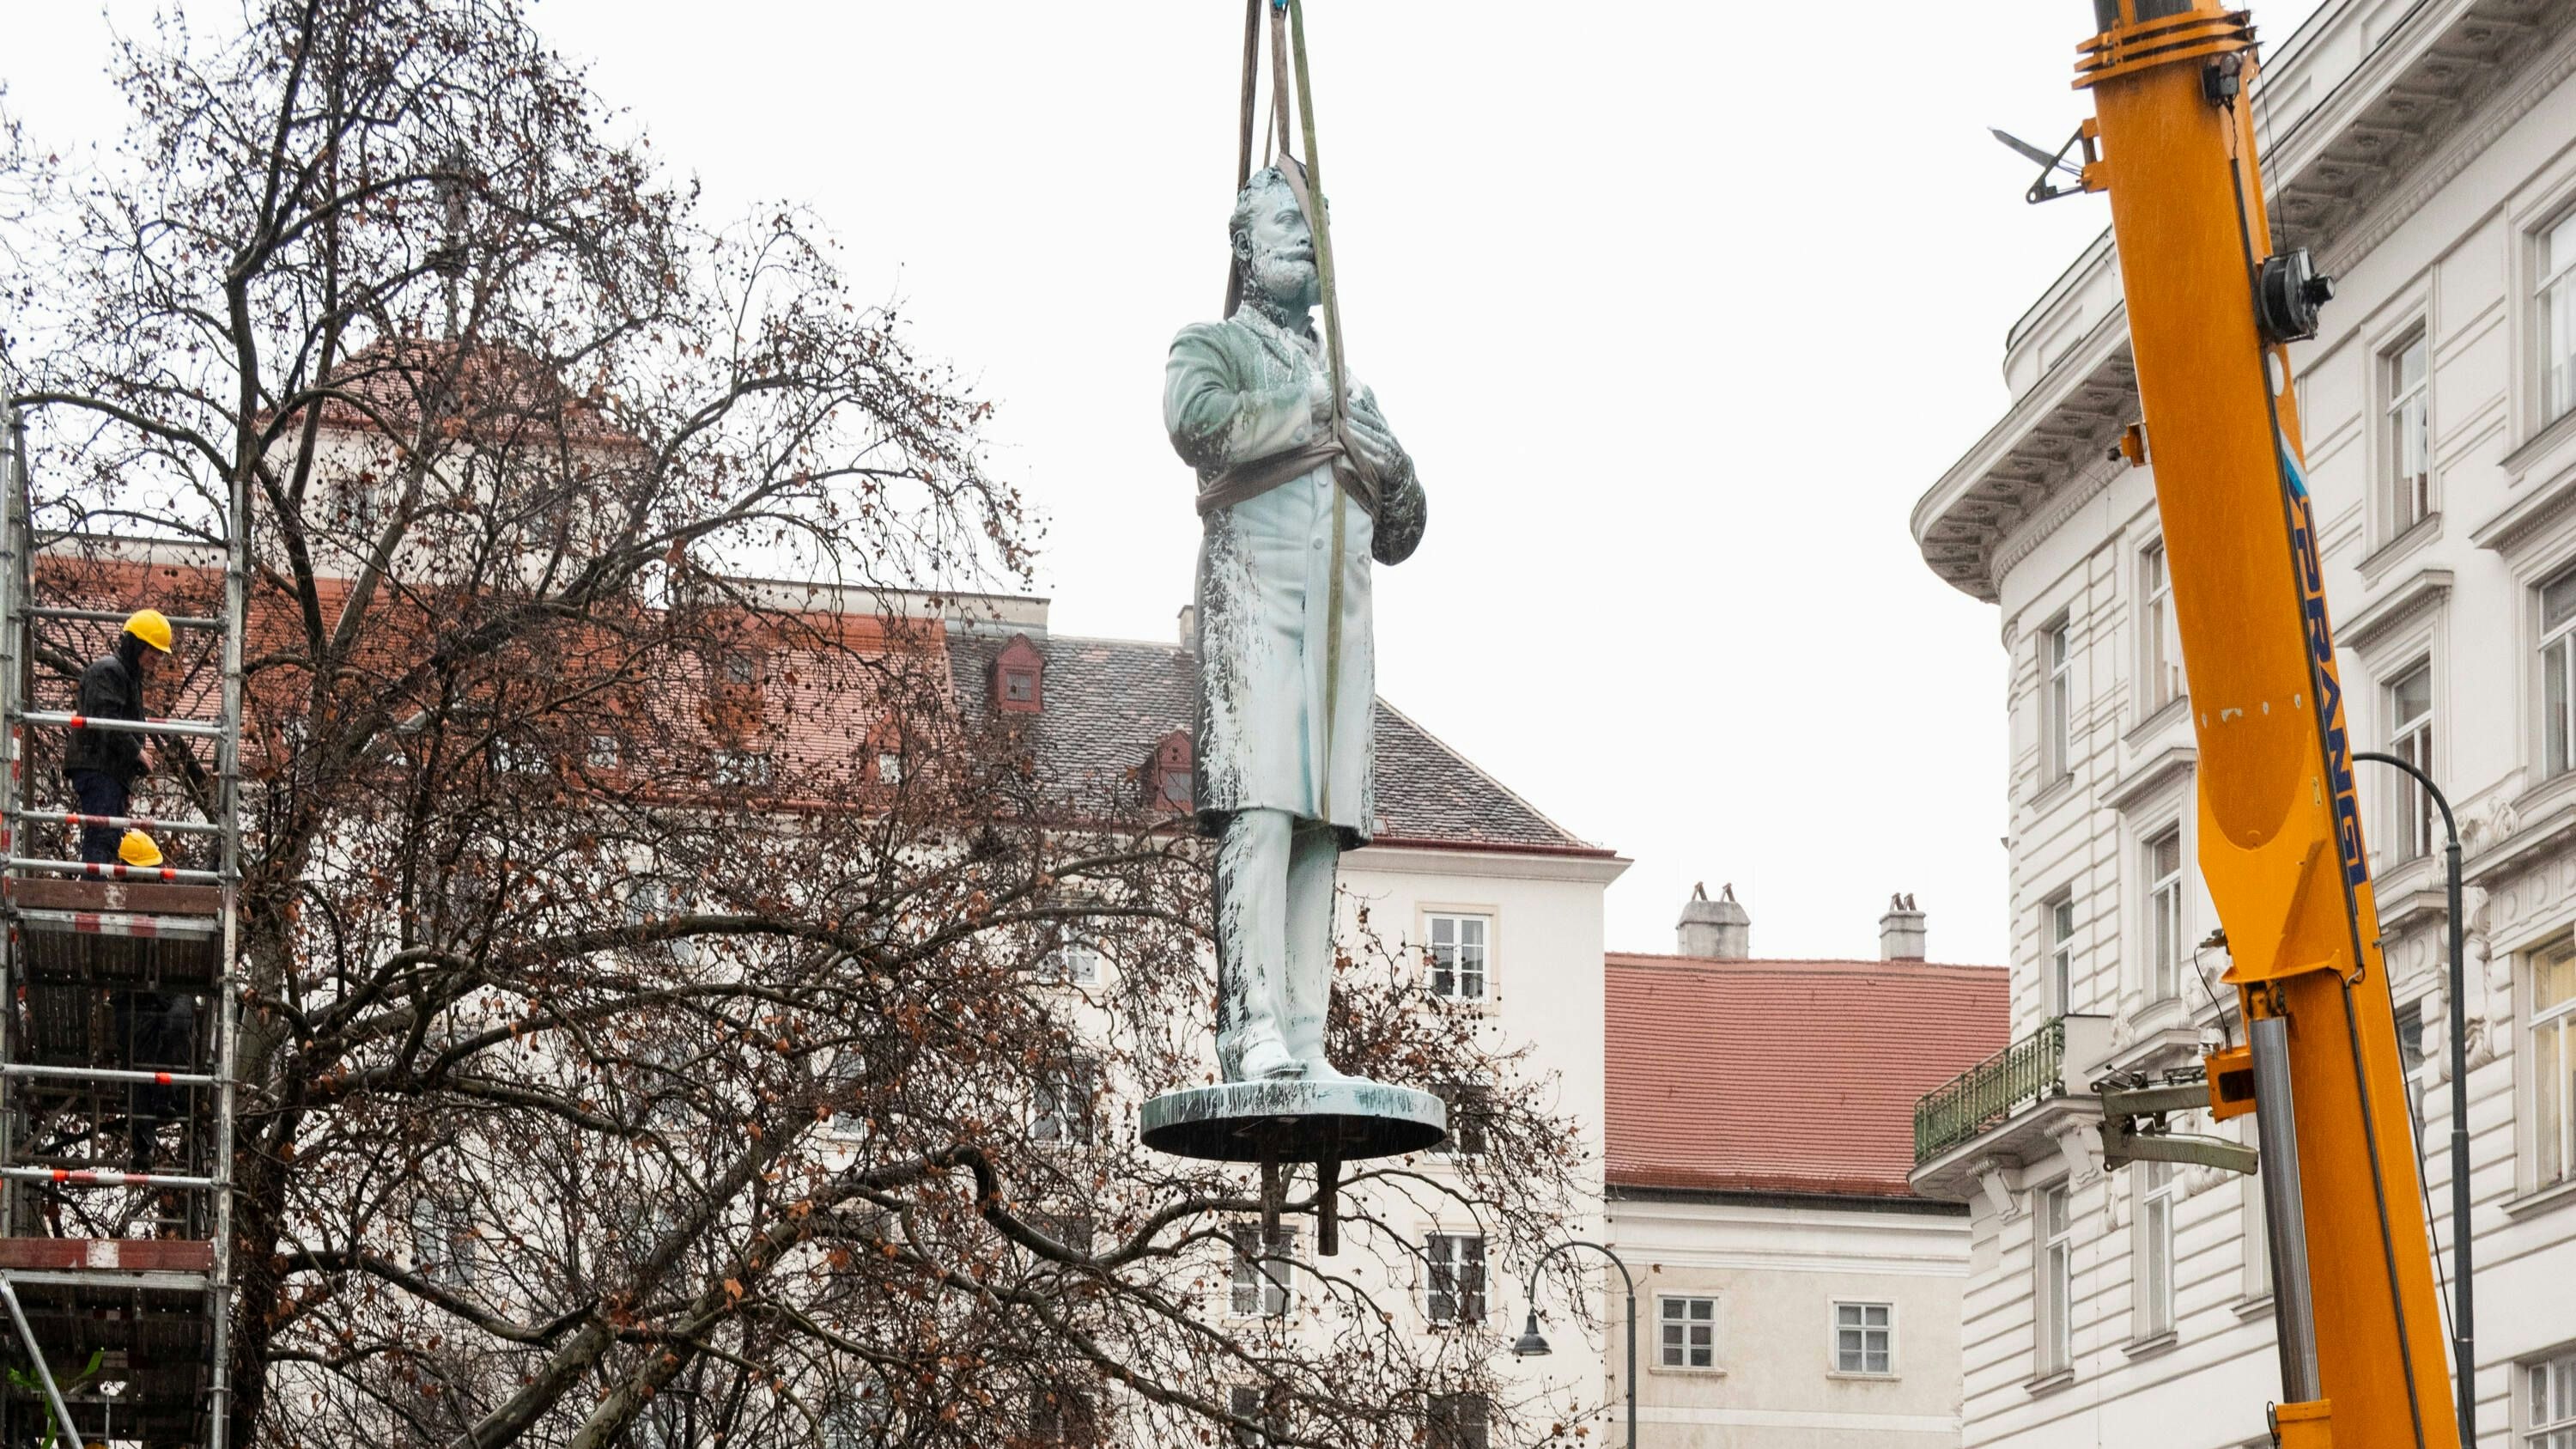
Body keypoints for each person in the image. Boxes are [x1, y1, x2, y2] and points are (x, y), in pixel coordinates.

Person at [1163, 165, 1428, 1082]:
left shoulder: (1354, 382)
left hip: (1339, 625)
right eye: (1286, 220)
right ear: (1243, 246)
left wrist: (1391, 472)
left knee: (1322, 822)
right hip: (1258, 603)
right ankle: (1254, 1028)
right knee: (1262, 808)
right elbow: (1195, 425)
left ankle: (1307, 1037)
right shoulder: (1214, 345)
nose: (1306, 237)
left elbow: (1405, 531)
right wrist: (1306, 411)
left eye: (1316, 224)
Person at [63, 609, 170, 863]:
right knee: (102, 837)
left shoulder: (125, 675)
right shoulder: (110, 671)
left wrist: (125, 782)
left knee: (108, 837)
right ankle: (94, 897)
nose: (157, 657)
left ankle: (96, 895)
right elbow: (106, 722)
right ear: (136, 645)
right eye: (152, 650)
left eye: (159, 652)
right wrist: (136, 752)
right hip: (98, 769)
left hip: (107, 771)